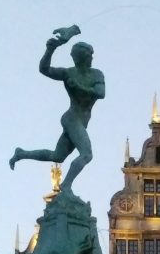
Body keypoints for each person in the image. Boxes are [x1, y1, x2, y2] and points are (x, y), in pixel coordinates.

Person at [10, 26, 105, 192]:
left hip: (79, 121)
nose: (92, 57)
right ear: (84, 57)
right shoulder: (69, 73)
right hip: (72, 118)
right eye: (90, 54)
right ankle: (66, 185)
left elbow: (100, 93)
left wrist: (79, 87)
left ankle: (21, 153)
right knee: (86, 154)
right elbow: (44, 69)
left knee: (57, 156)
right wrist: (49, 50)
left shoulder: (96, 74)